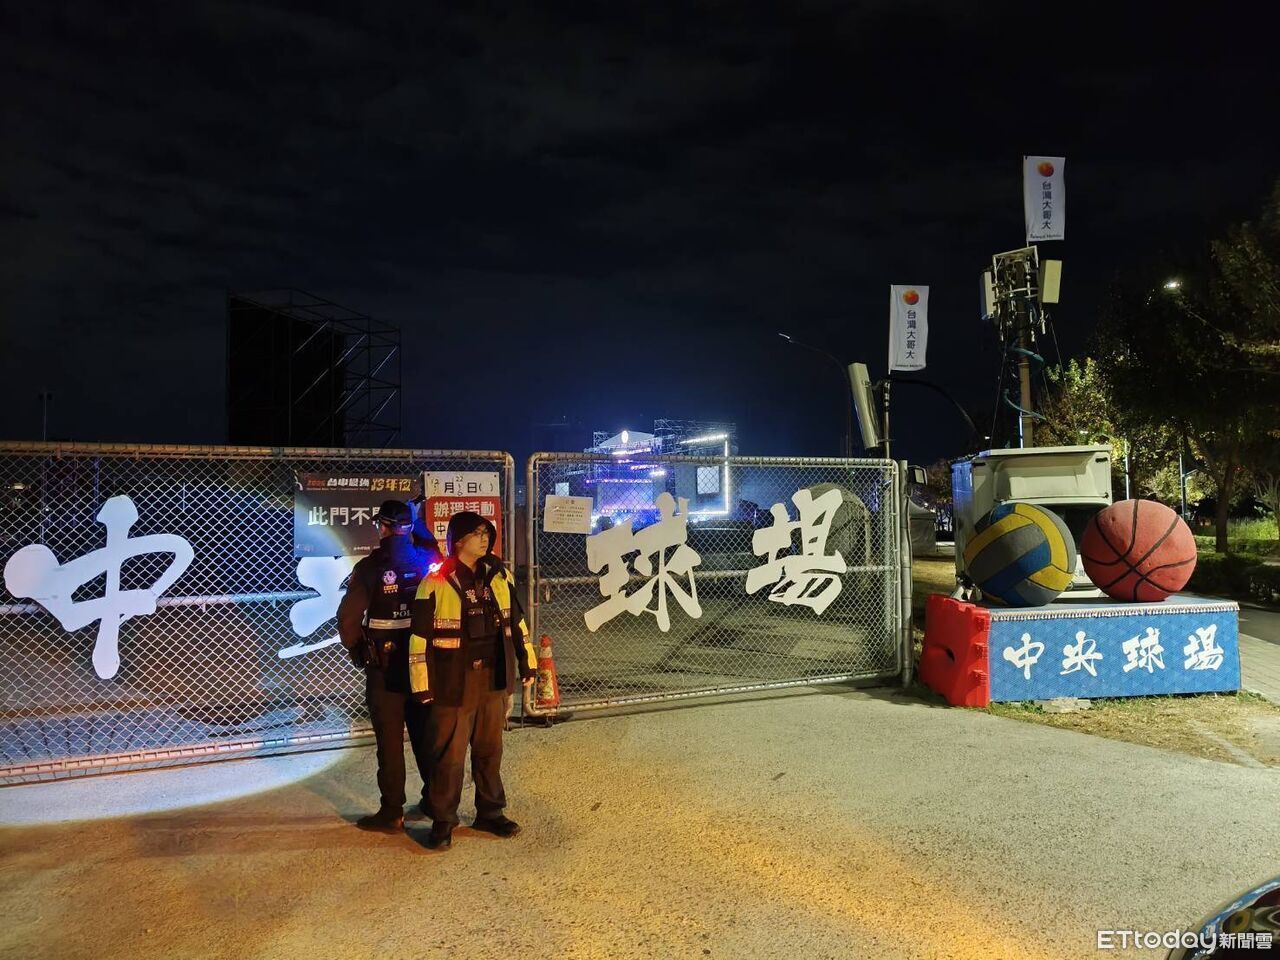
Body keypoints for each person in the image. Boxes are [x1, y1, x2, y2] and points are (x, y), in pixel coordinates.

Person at [408, 510, 537, 851]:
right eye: (477, 533)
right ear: (458, 540)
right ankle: (443, 822)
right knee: (448, 757)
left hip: (492, 678)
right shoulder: (435, 581)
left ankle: (490, 813)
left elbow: (517, 624)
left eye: (486, 533)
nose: (485, 539)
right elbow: (419, 640)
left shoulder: (500, 576)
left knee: (489, 751)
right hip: (452, 682)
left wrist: (528, 664)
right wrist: (422, 685)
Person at [337, 499, 441, 832]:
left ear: (382, 527)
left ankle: (392, 811)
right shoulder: (427, 561)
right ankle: (435, 802)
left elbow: (348, 619)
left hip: (384, 668)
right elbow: (434, 550)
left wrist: (357, 650)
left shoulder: (370, 568)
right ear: (409, 527)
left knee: (390, 741)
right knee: (427, 736)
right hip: (423, 666)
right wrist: (417, 523)